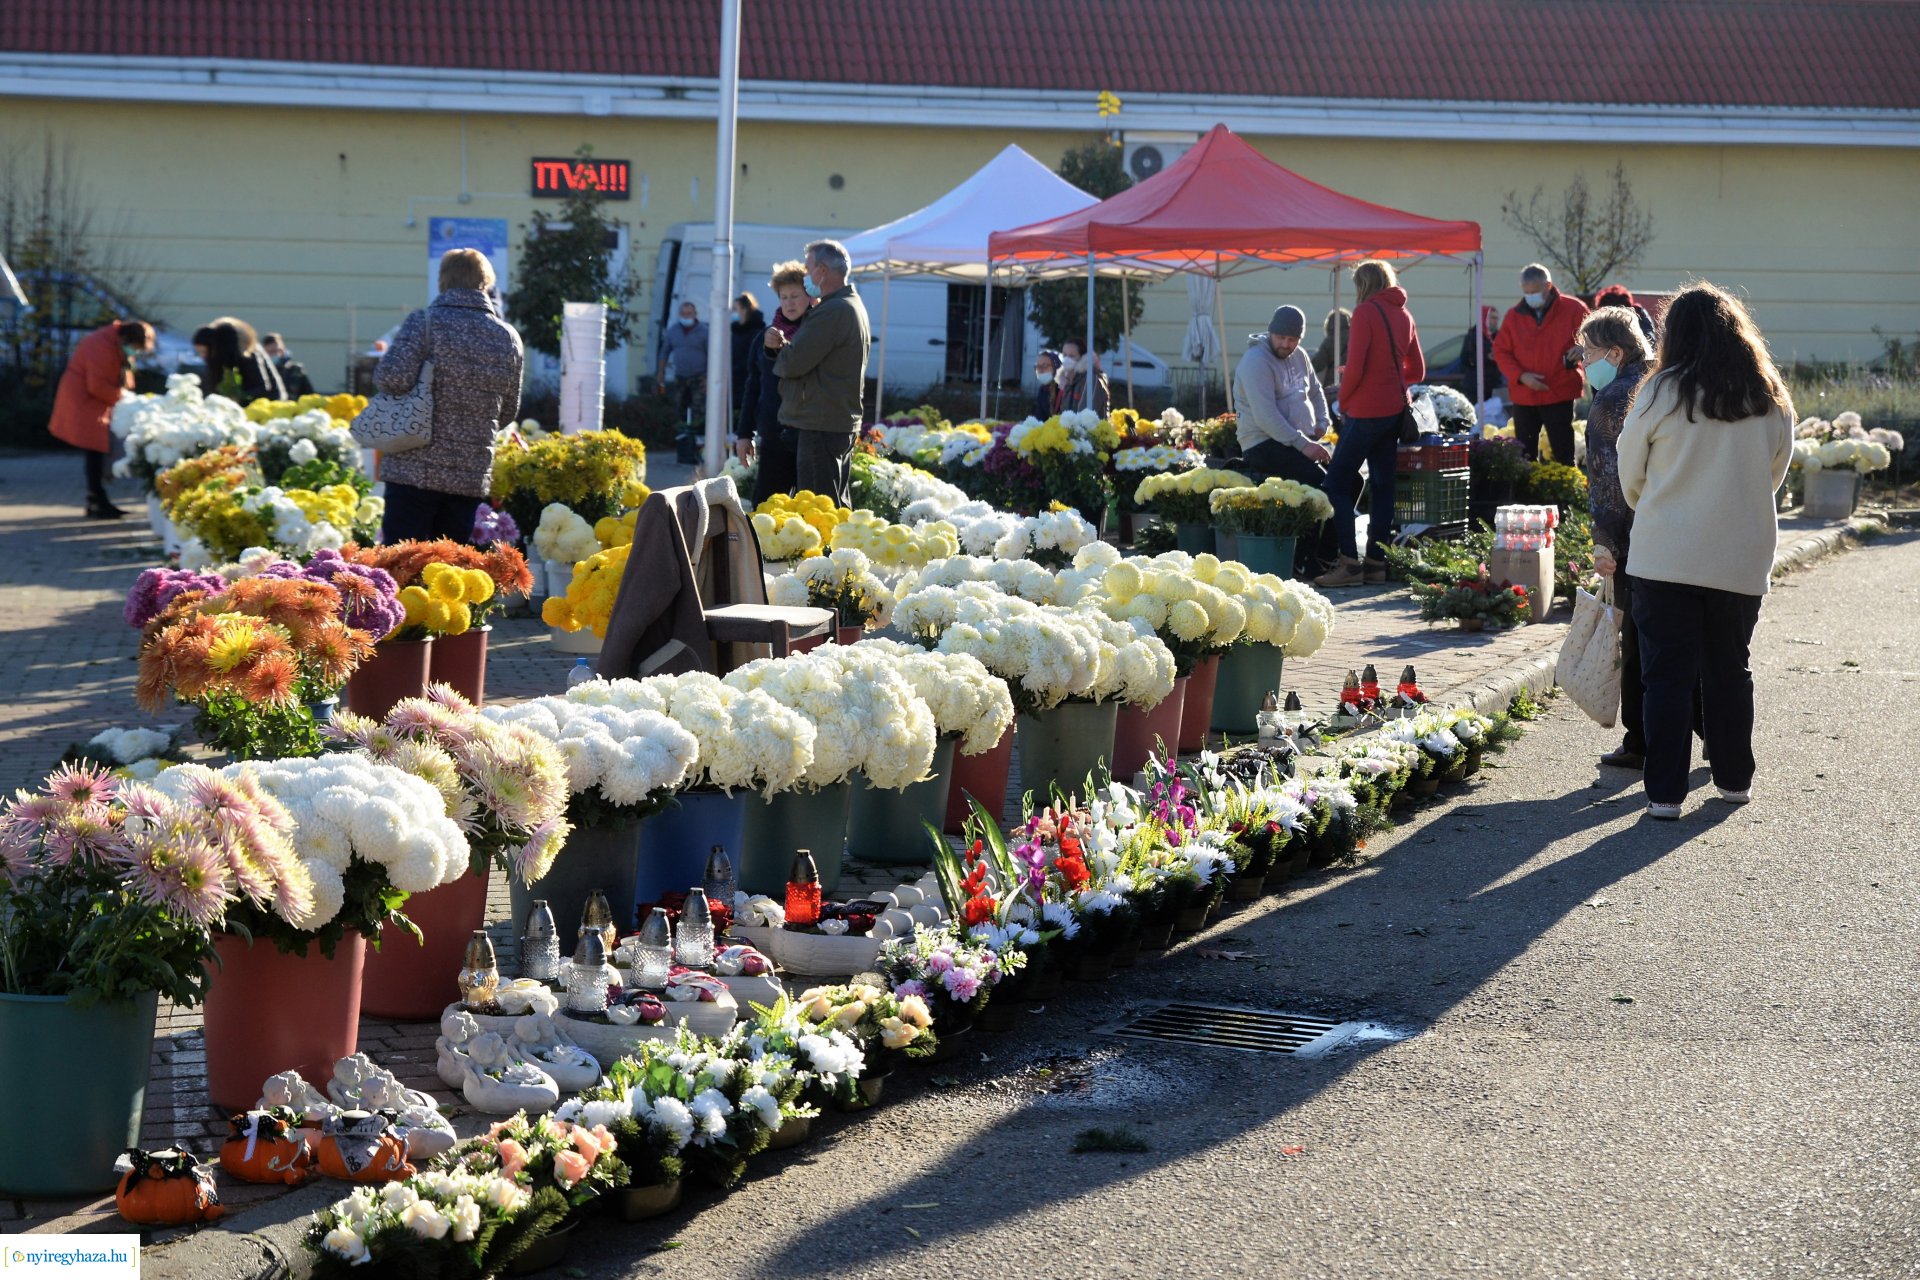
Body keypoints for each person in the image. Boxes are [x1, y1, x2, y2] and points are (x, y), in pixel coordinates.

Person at [1616, 282, 1794, 820]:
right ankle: (1735, 779)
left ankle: (1665, 794)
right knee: (1730, 669)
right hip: (1740, 553)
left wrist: (1658, 502)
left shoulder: (1660, 390)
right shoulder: (1769, 394)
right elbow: (1775, 472)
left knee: (1666, 677)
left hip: (1665, 553)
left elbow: (1630, 468)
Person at [375, 248, 525, 543]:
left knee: (401, 559)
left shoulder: (422, 323)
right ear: (486, 283)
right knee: (449, 562)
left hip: (412, 465)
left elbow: (390, 379)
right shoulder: (507, 337)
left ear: (443, 281)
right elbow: (508, 411)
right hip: (467, 473)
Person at [1577, 307, 1657, 768]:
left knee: (1637, 640)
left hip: (1632, 536)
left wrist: (1604, 540)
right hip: (1672, 529)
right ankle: (1709, 728)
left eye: (1588, 351)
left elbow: (1609, 479)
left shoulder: (1611, 398)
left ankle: (1640, 740)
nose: (1583, 361)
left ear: (1614, 352)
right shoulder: (1661, 384)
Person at [1315, 260, 1424, 588]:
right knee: (1382, 486)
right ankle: (1377, 563)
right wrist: (1387, 377)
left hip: (1365, 411)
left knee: (1336, 484)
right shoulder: (1405, 315)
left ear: (1362, 285)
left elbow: (1358, 368)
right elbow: (1417, 371)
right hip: (1394, 411)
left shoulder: (1364, 313)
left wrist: (1344, 400)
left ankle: (1349, 563)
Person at [1232, 305, 1338, 577]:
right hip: (1262, 443)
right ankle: (1303, 558)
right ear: (1271, 332)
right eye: (1281, 337)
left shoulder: (1299, 355)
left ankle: (1328, 555)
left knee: (1349, 480)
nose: (1286, 344)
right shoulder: (1256, 361)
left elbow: (1316, 391)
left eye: (1292, 339)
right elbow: (1266, 417)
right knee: (1318, 483)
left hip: (1298, 441)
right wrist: (1304, 444)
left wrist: (1322, 421)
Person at [765, 238, 869, 507]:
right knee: (833, 507)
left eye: (808, 268)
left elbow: (792, 363)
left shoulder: (832, 310)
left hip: (821, 423)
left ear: (822, 271)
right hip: (834, 420)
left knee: (817, 511)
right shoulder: (850, 303)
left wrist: (780, 349)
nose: (805, 274)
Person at [49, 318, 152, 519]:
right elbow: (97, 386)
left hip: (92, 400)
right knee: (95, 449)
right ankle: (96, 499)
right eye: (134, 348)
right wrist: (123, 398)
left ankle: (97, 498)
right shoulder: (101, 347)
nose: (135, 352)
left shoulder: (112, 342)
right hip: (85, 400)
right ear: (126, 339)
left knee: (96, 450)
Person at [1492, 264, 1588, 465]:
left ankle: (1567, 484)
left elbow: (1594, 338)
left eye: (1534, 291)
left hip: (1560, 389)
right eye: (1526, 292)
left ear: (1548, 286)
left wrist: (1582, 347)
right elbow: (1501, 351)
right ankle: (1527, 486)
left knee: (1564, 453)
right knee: (1525, 457)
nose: (1530, 296)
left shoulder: (1574, 309)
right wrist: (1521, 376)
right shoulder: (1513, 316)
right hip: (1525, 394)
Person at [735, 261, 810, 502]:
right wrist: (744, 434)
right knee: (766, 506)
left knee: (810, 508)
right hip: (773, 435)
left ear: (810, 296)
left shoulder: (817, 334)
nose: (789, 303)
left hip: (810, 437)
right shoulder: (764, 337)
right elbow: (753, 387)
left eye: (795, 296)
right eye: (783, 297)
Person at [201, 317, 286, 405]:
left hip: (265, 404)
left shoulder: (249, 353)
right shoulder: (220, 360)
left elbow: (263, 387)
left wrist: (240, 397)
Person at [657, 300, 709, 427]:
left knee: (699, 409)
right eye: (683, 314)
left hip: (699, 377)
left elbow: (712, 355)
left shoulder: (705, 331)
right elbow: (664, 352)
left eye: (689, 313)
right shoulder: (673, 331)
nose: (686, 317)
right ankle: (681, 434)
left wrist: (708, 378)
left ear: (695, 314)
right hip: (680, 376)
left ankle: (698, 434)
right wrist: (661, 372)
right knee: (679, 408)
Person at [728, 292, 765, 428]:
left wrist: (734, 369)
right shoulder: (735, 331)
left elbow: (752, 359)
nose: (733, 312)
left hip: (747, 381)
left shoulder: (756, 332)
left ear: (744, 309)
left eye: (735, 309)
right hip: (734, 382)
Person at [1054, 338, 1110, 416]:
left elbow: (1086, 415)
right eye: (1064, 355)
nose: (1066, 359)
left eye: (1071, 356)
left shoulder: (1092, 380)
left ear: (1083, 358)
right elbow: (1064, 411)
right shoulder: (1068, 380)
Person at [260, 332, 316, 397]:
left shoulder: (296, 370)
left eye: (277, 351)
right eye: (271, 352)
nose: (275, 355)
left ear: (283, 349)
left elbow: (309, 394)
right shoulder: (260, 370)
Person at [1310, 308, 1351, 387]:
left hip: (1334, 384)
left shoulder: (1330, 341)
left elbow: (1317, 365)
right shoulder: (1355, 338)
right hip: (1352, 382)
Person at [1032, 348, 1063, 420]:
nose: (1040, 370)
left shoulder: (1063, 389)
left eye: (1044, 366)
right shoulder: (1043, 389)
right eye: (1037, 366)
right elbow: (1039, 416)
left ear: (1055, 368)